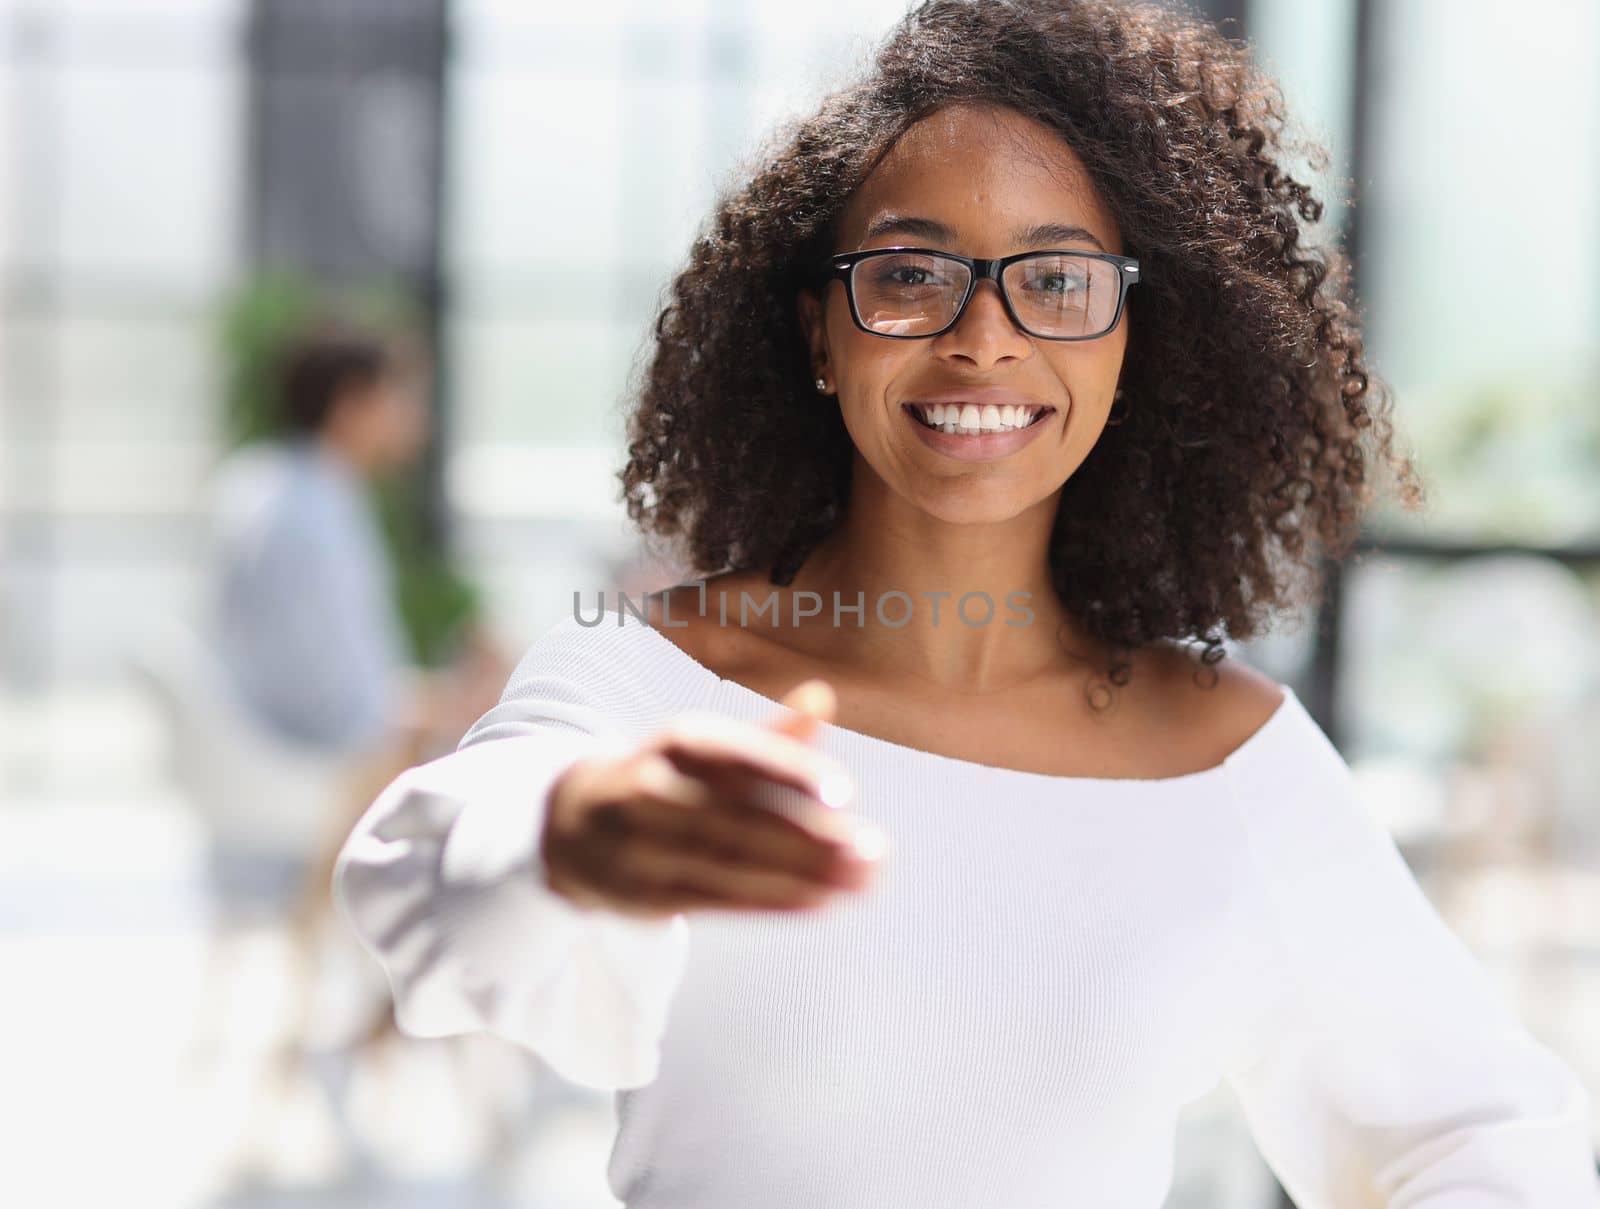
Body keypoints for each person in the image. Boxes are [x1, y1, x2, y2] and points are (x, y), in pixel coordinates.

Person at [331, 2, 1600, 1205]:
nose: (982, 340)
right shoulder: (659, 681)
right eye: (909, 274)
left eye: (1055, 283)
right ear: (819, 333)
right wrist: (562, 835)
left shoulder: (1223, 755)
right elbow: (415, 884)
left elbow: (1474, 1131)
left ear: (1130, 347)